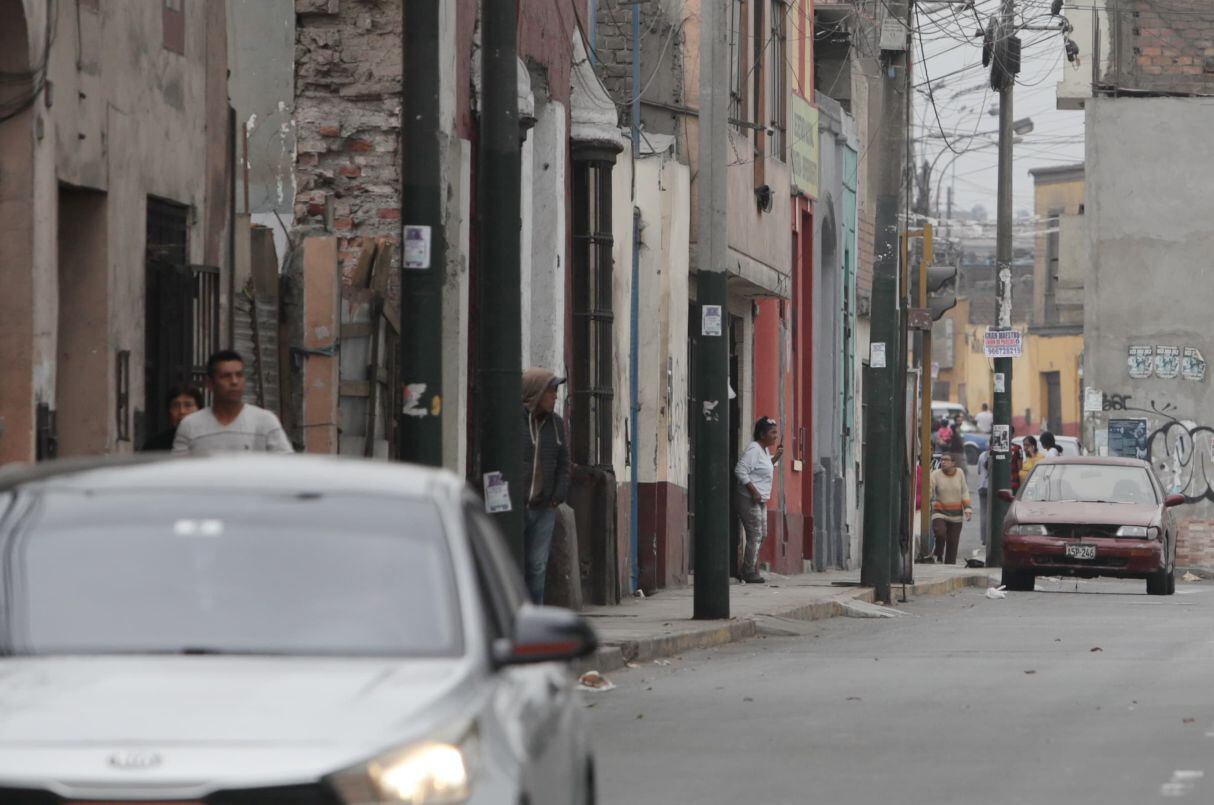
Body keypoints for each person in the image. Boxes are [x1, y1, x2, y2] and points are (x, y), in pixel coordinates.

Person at [173, 350, 293, 454]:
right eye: (226, 376)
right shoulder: (190, 425)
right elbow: (178, 473)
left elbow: (286, 467)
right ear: (209, 383)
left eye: (239, 375)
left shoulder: (265, 421)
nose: (234, 381)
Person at [520, 368, 571, 605]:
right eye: (551, 391)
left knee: (537, 565)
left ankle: (534, 613)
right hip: (518, 507)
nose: (555, 396)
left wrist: (557, 496)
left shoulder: (556, 425)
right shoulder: (516, 421)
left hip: (544, 508)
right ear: (536, 393)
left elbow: (564, 464)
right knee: (513, 562)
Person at [734, 416, 783, 584]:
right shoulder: (754, 449)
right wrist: (753, 491)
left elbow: (763, 467)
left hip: (760, 500)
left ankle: (749, 567)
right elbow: (740, 470)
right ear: (762, 434)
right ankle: (748, 571)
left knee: (762, 534)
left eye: (776, 432)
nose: (776, 436)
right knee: (755, 534)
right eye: (772, 432)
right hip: (750, 498)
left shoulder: (764, 450)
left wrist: (776, 457)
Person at [929, 452, 972, 565]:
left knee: (953, 543)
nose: (943, 462)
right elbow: (929, 490)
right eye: (942, 459)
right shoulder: (935, 474)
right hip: (939, 511)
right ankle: (938, 553)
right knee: (940, 533)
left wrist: (967, 507)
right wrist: (927, 499)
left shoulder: (960, 473)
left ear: (953, 463)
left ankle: (949, 565)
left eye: (946, 460)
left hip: (956, 514)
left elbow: (964, 491)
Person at [140, 384, 203, 451]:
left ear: (199, 410)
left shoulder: (209, 442)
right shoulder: (154, 446)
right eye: (175, 406)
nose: (181, 411)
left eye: (188, 405)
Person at [976, 448, 990, 545]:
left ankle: (984, 538)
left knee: (983, 513)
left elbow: (979, 471)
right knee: (991, 514)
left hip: (982, 486)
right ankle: (990, 536)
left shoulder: (982, 455)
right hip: (991, 487)